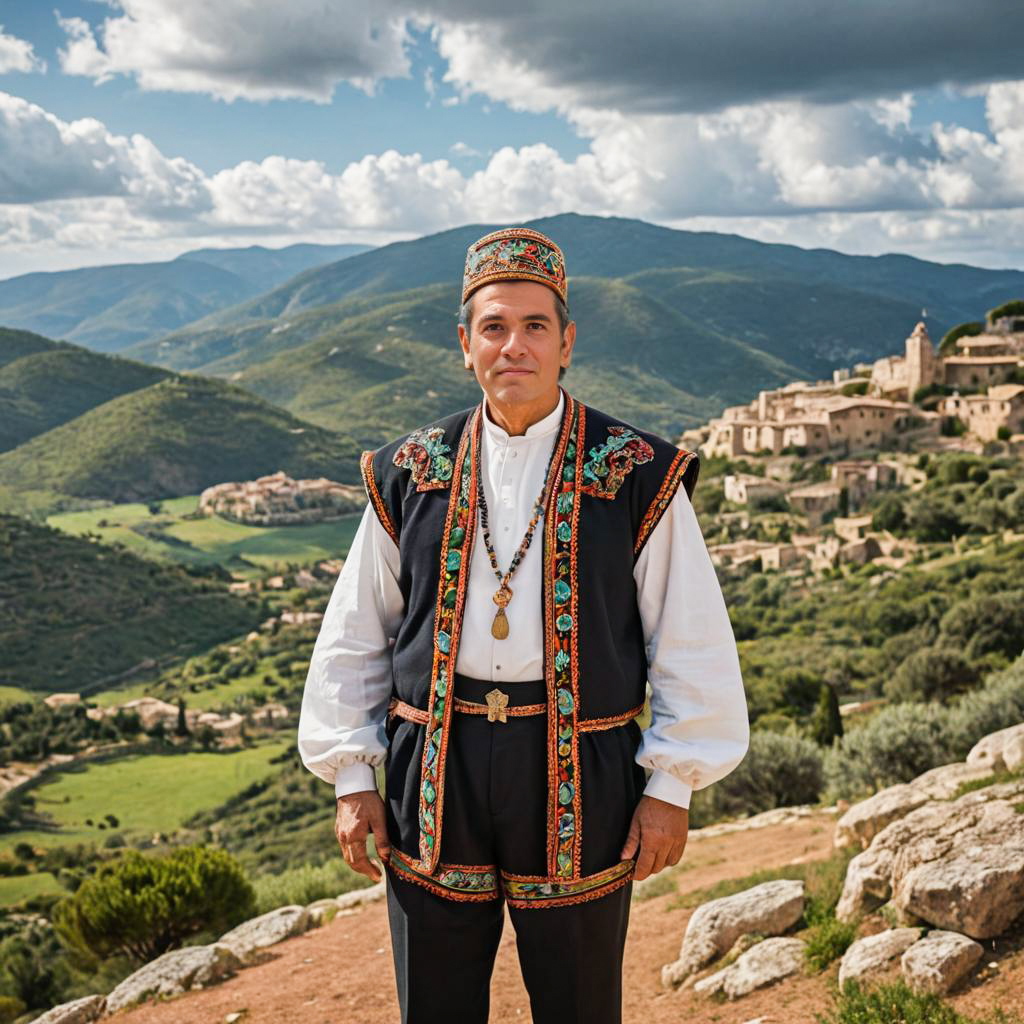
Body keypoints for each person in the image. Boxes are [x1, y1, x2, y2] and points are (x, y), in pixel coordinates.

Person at [298, 226, 749, 1024]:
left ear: (567, 341)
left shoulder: (636, 471)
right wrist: (352, 776)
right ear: (463, 343)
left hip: (583, 763)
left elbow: (690, 635)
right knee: (434, 1002)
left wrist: (673, 782)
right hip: (434, 768)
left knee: (578, 1003)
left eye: (536, 325)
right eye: (495, 326)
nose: (515, 345)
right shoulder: (409, 470)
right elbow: (358, 631)